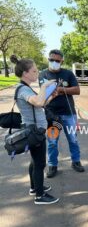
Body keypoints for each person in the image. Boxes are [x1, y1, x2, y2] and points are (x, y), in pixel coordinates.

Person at [10, 55, 59, 205]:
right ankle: (39, 195)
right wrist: (44, 87)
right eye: (34, 71)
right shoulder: (23, 89)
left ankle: (34, 188)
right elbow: (37, 101)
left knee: (34, 161)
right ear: (25, 73)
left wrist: (49, 97)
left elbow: (39, 103)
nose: (37, 73)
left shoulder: (25, 88)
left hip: (35, 130)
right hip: (34, 132)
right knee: (39, 164)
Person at [39, 49, 85, 178]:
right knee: (52, 142)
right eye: (51, 60)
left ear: (62, 61)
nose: (54, 62)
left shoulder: (68, 74)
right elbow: (44, 93)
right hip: (52, 114)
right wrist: (53, 92)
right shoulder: (43, 75)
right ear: (48, 59)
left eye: (57, 61)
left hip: (69, 113)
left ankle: (76, 162)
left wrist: (60, 89)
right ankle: (52, 165)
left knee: (73, 139)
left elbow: (77, 90)